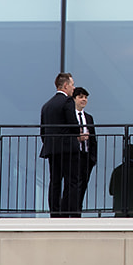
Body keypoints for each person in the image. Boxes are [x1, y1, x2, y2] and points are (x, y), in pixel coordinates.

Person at [39, 73, 81, 217]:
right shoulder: (68, 101)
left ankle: (55, 213)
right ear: (65, 85)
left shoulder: (46, 105)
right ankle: (69, 212)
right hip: (68, 148)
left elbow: (43, 131)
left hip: (52, 149)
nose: (74, 88)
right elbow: (73, 125)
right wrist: (78, 132)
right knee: (72, 181)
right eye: (72, 85)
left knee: (55, 182)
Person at [72, 87, 98, 215]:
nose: (84, 100)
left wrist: (93, 158)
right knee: (74, 185)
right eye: (81, 97)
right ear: (74, 99)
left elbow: (93, 139)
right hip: (74, 156)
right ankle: (73, 211)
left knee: (83, 185)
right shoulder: (71, 116)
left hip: (86, 157)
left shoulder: (89, 118)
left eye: (86, 97)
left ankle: (78, 209)